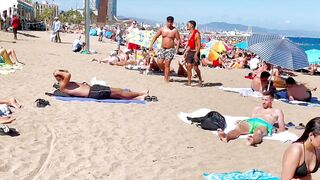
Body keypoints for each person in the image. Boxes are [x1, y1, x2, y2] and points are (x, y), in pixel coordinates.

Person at [217, 90, 286, 146]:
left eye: (266, 100)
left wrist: (275, 130)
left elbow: (282, 128)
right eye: (262, 99)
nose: (263, 102)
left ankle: (253, 140)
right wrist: (242, 121)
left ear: (272, 100)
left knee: (258, 132)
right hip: (252, 122)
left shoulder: (277, 111)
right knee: (239, 128)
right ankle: (226, 137)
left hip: (264, 124)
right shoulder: (257, 108)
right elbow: (251, 119)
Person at [53, 70, 147, 100]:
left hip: (94, 90)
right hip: (94, 92)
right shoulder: (62, 85)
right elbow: (68, 74)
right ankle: (139, 93)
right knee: (119, 91)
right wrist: (57, 72)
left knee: (117, 93)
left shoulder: (65, 84)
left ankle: (138, 97)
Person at [149, 16, 181, 82]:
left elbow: (178, 40)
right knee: (159, 62)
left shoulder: (175, 30)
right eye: (168, 22)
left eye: (171, 22)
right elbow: (155, 37)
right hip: (162, 48)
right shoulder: (162, 29)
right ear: (166, 22)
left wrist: (177, 49)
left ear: (172, 22)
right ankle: (168, 71)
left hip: (171, 49)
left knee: (167, 63)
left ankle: (166, 79)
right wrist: (151, 45)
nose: (169, 24)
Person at [184, 20, 202, 86]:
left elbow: (199, 45)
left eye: (188, 24)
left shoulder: (197, 34)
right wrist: (185, 52)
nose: (187, 26)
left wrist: (196, 54)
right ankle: (189, 82)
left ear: (192, 25)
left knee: (195, 68)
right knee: (188, 67)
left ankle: (200, 80)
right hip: (190, 52)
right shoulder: (189, 34)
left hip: (195, 52)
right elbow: (190, 45)